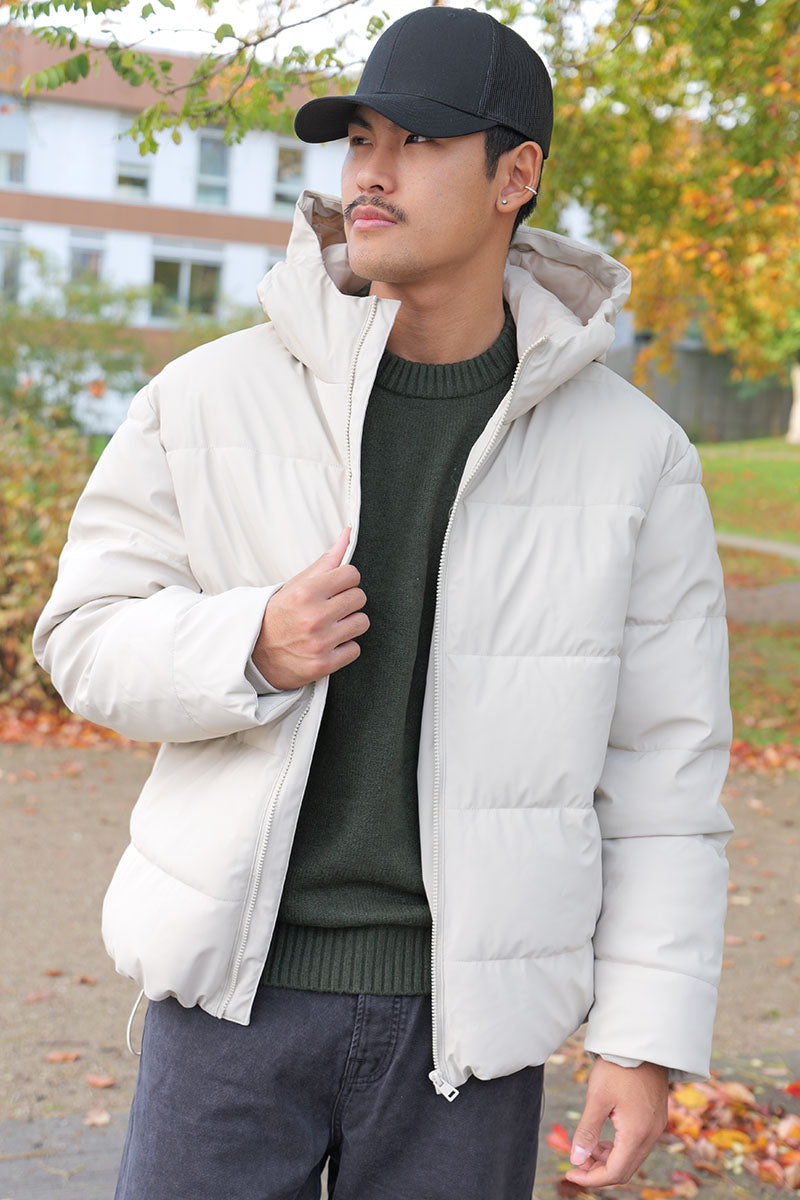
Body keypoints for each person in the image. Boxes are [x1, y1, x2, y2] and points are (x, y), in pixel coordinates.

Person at [33, 6, 734, 1197]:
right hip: (227, 1005)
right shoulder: (207, 398)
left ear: (514, 175)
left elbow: (664, 773)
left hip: (467, 1033)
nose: (370, 170)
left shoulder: (635, 457)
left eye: (418, 141)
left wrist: (642, 1037)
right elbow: (83, 639)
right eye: (360, 137)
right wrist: (246, 643)